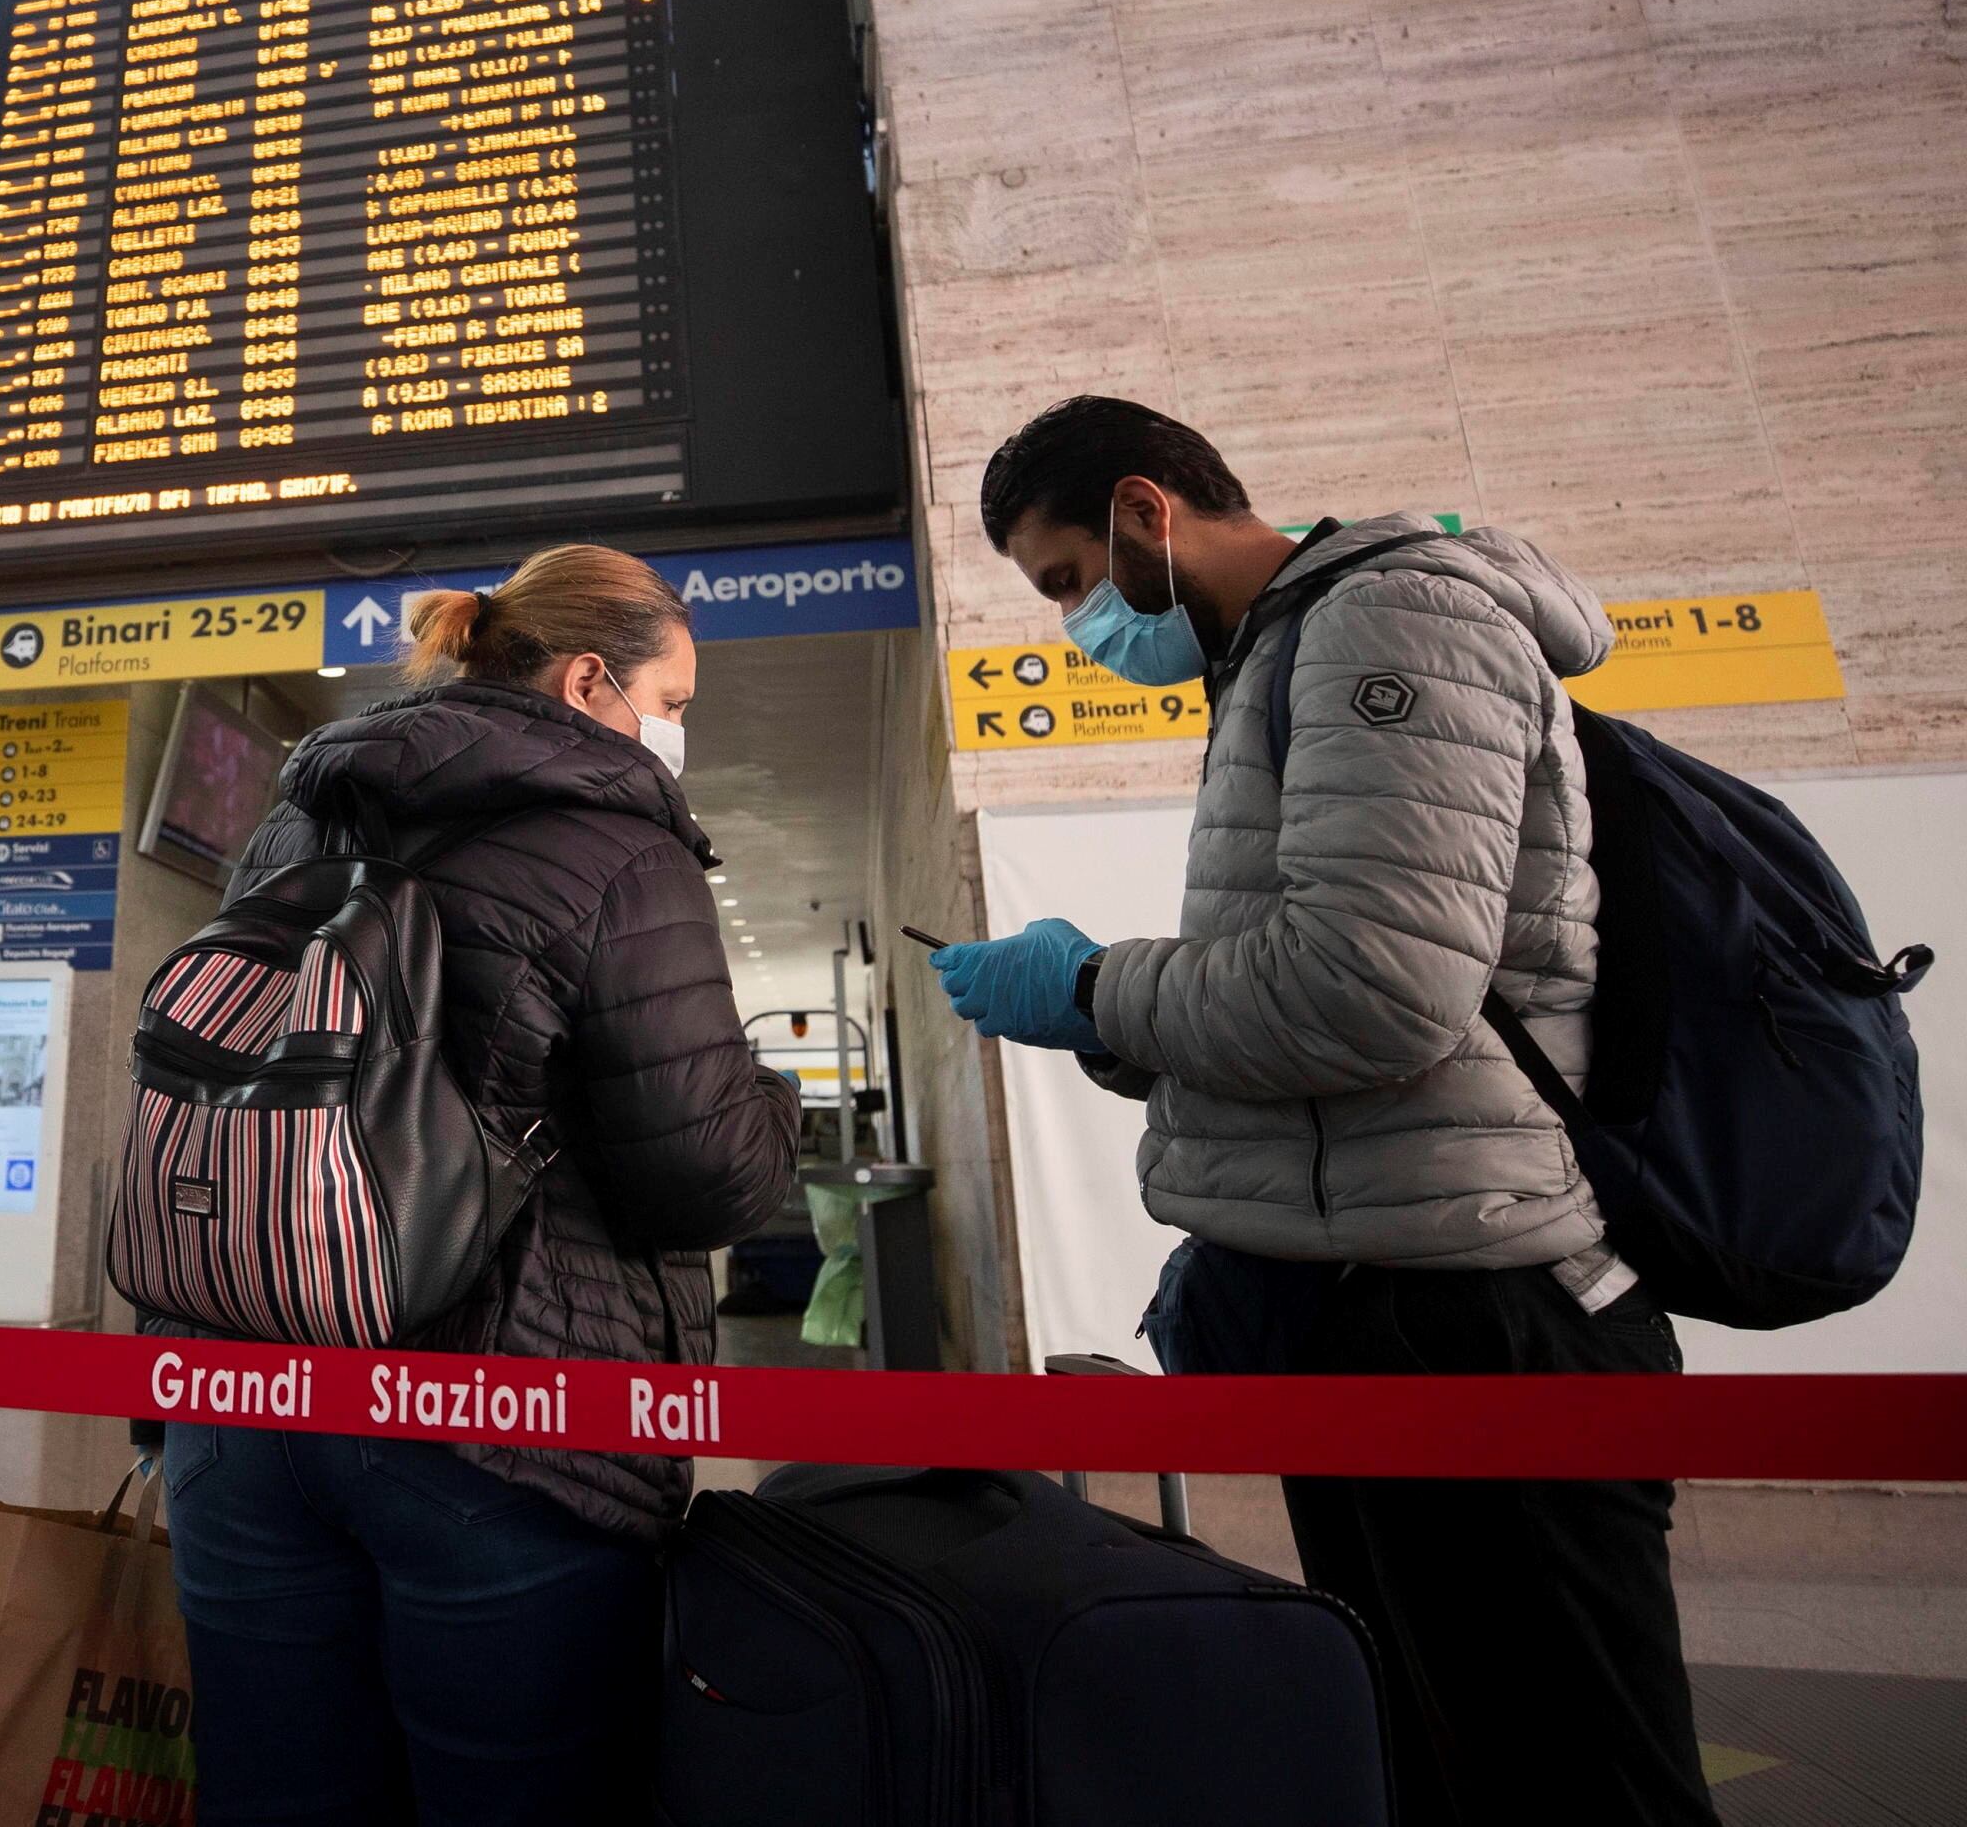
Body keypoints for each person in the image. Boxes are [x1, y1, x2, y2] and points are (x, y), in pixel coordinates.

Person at [931, 397, 1715, 1827]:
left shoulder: (1388, 623)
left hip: (1478, 1314)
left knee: (1580, 1778)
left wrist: (1100, 989)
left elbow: (1374, 992)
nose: (1073, 626)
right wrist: (1105, 1021)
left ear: (1145, 510)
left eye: (1066, 580)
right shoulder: (1281, 656)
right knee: (1439, 1752)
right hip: (1382, 1287)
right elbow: (1313, 1010)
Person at [163, 542, 798, 1827]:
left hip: (244, 1400)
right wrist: (769, 1099)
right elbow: (704, 1179)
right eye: (670, 704)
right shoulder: (621, 844)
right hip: (499, 1426)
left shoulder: (299, 816)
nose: (671, 735)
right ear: (587, 681)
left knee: (280, 1794)